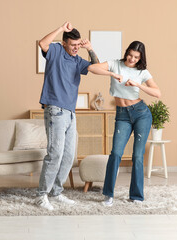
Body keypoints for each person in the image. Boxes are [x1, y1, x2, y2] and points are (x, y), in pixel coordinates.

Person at [87, 41, 161, 206]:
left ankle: (136, 196)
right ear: (126, 52)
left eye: (136, 57)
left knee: (137, 156)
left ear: (140, 58)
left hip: (141, 113)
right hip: (122, 115)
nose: (132, 59)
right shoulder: (115, 64)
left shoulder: (142, 72)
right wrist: (113, 75)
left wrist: (138, 84)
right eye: (130, 55)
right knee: (116, 153)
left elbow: (157, 93)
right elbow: (92, 68)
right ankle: (108, 195)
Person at [36, 22, 99, 211]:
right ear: (64, 43)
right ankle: (41, 195)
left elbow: (96, 67)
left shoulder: (78, 60)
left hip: (71, 113)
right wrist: (61, 29)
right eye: (73, 45)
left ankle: (56, 192)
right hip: (55, 110)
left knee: (69, 155)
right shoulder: (56, 51)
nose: (76, 48)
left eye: (78, 45)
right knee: (54, 154)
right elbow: (42, 43)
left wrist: (90, 49)